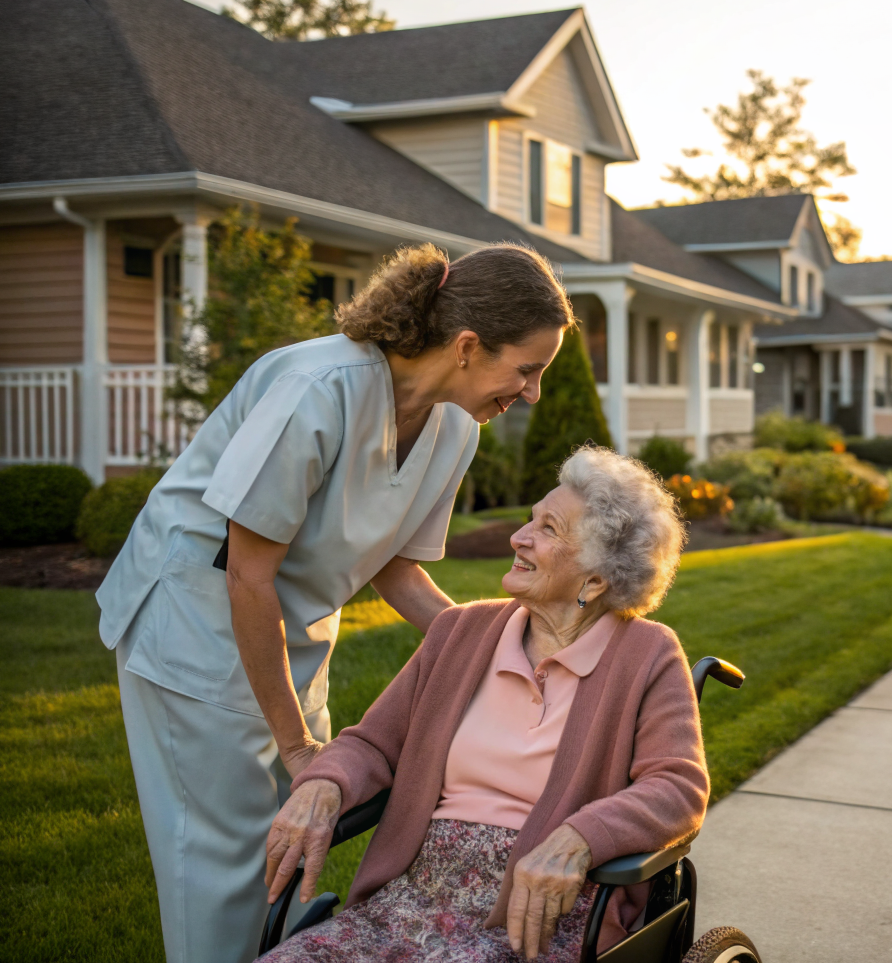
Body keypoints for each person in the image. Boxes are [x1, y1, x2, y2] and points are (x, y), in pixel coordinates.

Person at [97, 241, 574, 963]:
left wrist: (514, 648)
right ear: (470, 346)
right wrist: (297, 747)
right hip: (192, 627)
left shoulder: (451, 427)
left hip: (291, 631)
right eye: (528, 370)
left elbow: (399, 573)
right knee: (221, 865)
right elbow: (246, 575)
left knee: (296, 844)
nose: (532, 393)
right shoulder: (317, 387)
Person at [260, 447, 706, 963]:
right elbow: (375, 742)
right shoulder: (460, 631)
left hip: (541, 914)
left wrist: (581, 838)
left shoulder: (646, 654)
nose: (518, 536)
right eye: (530, 519)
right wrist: (324, 782)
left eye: (550, 529)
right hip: (409, 899)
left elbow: (677, 786)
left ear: (596, 579)